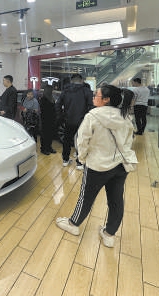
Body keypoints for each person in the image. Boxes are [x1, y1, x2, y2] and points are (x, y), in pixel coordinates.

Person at [55, 85, 137, 248]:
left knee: (86, 197)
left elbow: (82, 141)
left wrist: (82, 158)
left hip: (97, 165)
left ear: (106, 99)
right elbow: (129, 140)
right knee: (116, 200)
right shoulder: (125, 116)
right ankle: (109, 234)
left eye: (96, 95)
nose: (93, 97)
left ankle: (73, 224)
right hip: (121, 165)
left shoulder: (92, 116)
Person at [56, 74, 93, 169]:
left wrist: (61, 116)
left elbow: (58, 105)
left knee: (67, 140)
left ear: (71, 81)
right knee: (81, 141)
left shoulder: (65, 91)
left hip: (68, 120)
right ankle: (79, 163)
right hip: (82, 121)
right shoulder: (87, 91)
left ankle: (65, 160)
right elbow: (91, 106)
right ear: (82, 81)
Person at [39, 85, 57, 155]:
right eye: (52, 90)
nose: (53, 91)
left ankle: (49, 147)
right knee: (44, 135)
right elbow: (44, 111)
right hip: (45, 120)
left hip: (51, 119)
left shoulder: (51, 98)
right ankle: (43, 149)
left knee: (50, 134)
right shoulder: (43, 99)